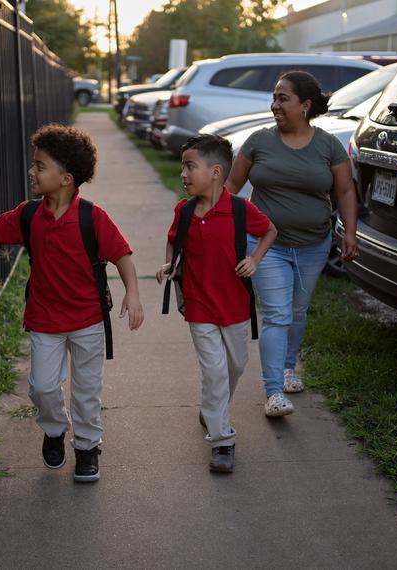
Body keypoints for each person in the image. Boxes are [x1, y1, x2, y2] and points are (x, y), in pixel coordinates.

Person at [0, 124, 144, 483]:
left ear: (65, 178)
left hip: (88, 320)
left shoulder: (91, 217)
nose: (31, 171)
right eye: (34, 164)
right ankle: (54, 430)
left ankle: (86, 447)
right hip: (45, 320)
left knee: (86, 391)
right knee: (42, 387)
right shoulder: (28, 215)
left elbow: (122, 255)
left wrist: (133, 292)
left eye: (40, 166)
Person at [224, 70, 359, 417]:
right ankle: (273, 392)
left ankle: (287, 367)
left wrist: (349, 232)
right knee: (277, 313)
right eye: (274, 98)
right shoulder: (258, 141)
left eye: (283, 98)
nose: (274, 105)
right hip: (264, 244)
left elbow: (344, 190)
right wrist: (205, 222)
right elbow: (231, 187)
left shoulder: (328, 145)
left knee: (297, 312)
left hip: (313, 244)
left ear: (305, 105)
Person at [156, 134, 277, 472]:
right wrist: (171, 265)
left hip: (235, 306)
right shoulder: (184, 211)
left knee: (235, 366)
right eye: (183, 167)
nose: (183, 174)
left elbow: (270, 231)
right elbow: (172, 243)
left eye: (190, 166)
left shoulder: (240, 209)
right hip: (199, 306)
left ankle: (212, 407)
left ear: (216, 172)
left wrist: (254, 259)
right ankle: (222, 441)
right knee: (214, 370)